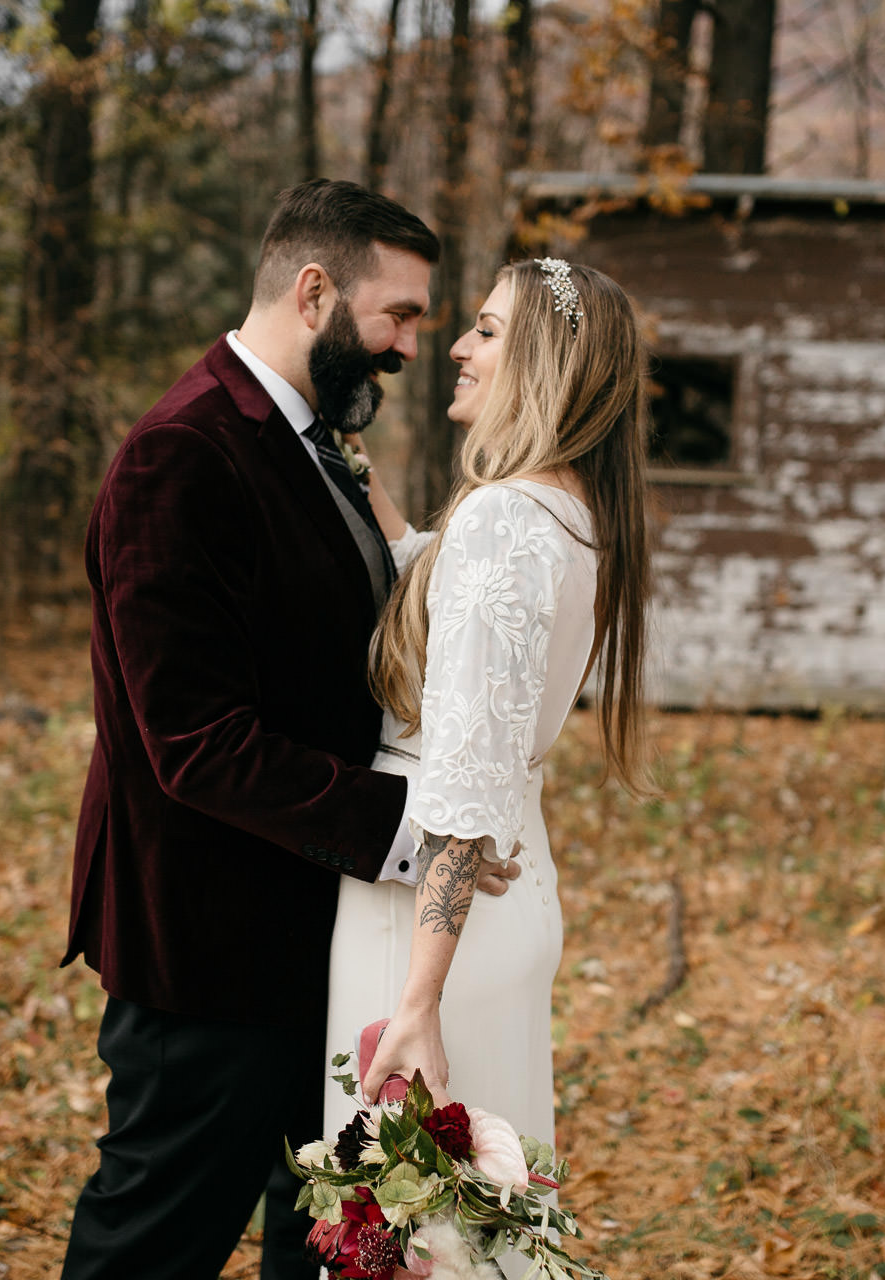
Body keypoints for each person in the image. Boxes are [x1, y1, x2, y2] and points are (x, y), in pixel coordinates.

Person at [59, 180, 518, 1280]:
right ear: (314, 292)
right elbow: (196, 742)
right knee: (151, 1247)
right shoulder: (183, 454)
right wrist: (416, 826)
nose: (412, 345)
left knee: (315, 1248)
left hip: (312, 936)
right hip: (207, 953)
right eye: (398, 314)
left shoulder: (307, 439)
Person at [321, 259, 651, 1164]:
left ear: (548, 365)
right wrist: (356, 472)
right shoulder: (569, 512)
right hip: (508, 895)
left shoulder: (502, 519)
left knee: (407, 1216)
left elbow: (465, 785)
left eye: (489, 331)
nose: (460, 347)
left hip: (428, 923)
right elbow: (442, 588)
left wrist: (418, 1001)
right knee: (478, 1214)